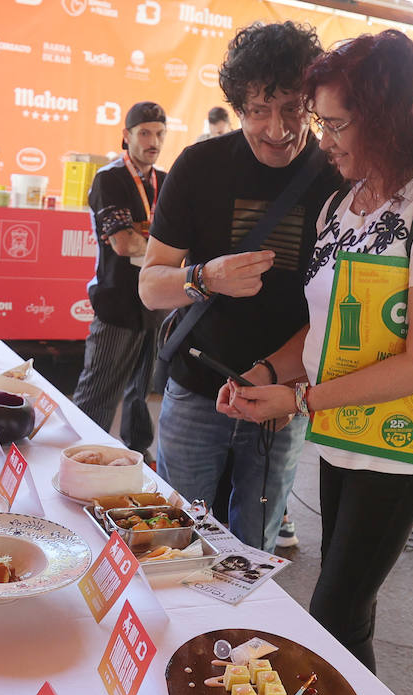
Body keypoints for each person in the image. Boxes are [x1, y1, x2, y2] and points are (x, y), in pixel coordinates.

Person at [222, 30, 413, 671]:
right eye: (324, 121)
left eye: (339, 123)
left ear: (393, 118)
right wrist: (266, 371)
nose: (325, 139)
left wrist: (298, 399)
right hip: (343, 427)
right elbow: (321, 330)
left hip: (402, 440)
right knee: (348, 611)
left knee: (336, 609)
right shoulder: (342, 206)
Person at [139, 22, 341, 551]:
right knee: (171, 540)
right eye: (259, 110)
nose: (277, 129)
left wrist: (278, 380)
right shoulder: (200, 167)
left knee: (255, 550)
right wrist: (207, 278)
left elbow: (337, 311)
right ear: (237, 106)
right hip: (194, 392)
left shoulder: (337, 179)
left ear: (314, 105)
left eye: (294, 109)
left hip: (281, 401)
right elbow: (151, 287)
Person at [70, 101, 168, 461]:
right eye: (144, 133)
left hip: (155, 302)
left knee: (142, 390)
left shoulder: (166, 181)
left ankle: (136, 456)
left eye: (159, 133)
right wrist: (162, 249)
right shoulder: (109, 178)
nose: (152, 140)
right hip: (117, 302)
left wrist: (149, 245)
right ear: (126, 137)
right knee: (99, 389)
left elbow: (176, 246)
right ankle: (78, 455)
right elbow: (124, 243)